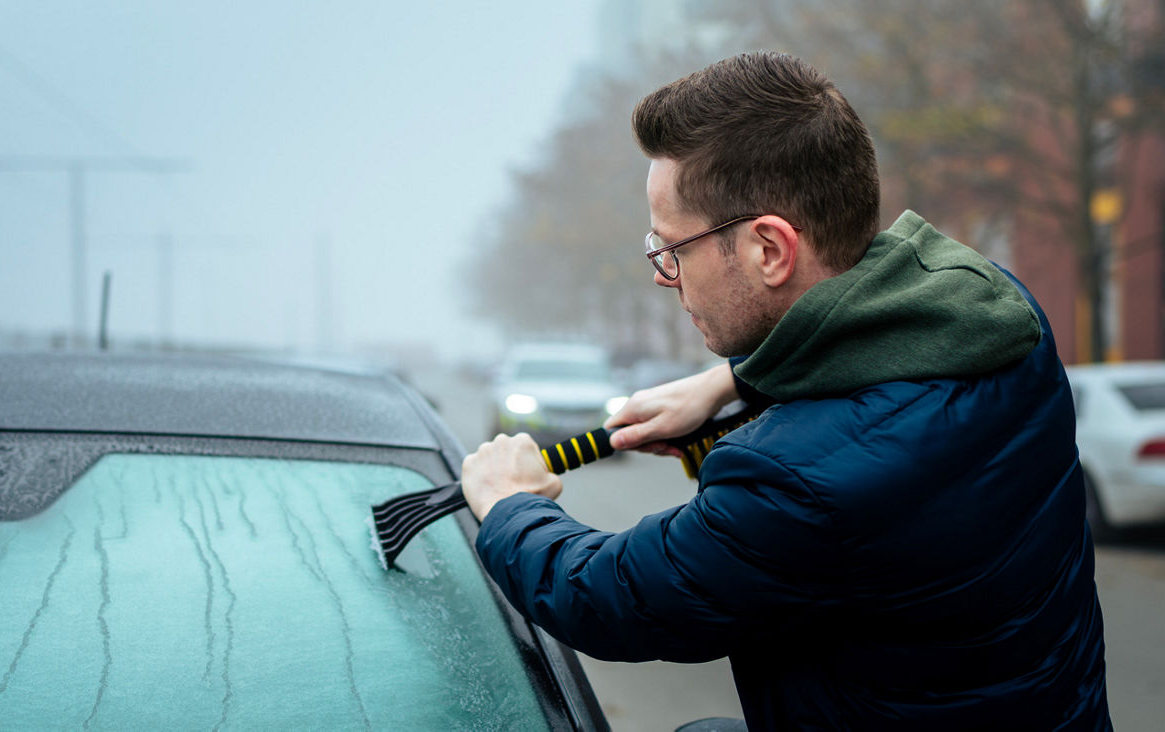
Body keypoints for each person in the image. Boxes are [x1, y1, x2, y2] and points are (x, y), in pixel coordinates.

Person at [461, 52, 1111, 730]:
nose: (664, 275)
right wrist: (732, 383)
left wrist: (508, 505)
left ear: (769, 249)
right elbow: (870, 354)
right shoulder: (1000, 316)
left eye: (672, 248)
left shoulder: (794, 482)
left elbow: (615, 597)